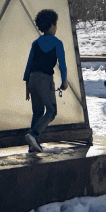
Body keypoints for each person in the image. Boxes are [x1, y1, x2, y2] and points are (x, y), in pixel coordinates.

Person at [22, 8, 67, 153]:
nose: (56, 27)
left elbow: (29, 64)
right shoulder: (57, 42)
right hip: (45, 79)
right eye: (56, 24)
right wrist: (64, 81)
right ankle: (33, 134)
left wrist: (27, 85)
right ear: (52, 25)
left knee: (37, 111)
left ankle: (33, 145)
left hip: (32, 79)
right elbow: (62, 64)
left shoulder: (35, 43)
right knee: (52, 111)